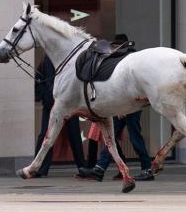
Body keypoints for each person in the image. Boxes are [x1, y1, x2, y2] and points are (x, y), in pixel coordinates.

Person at [75, 34, 154, 182]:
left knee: (134, 137)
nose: (114, 48)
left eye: (116, 45)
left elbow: (129, 85)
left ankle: (147, 168)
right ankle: (100, 168)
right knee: (110, 139)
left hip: (131, 106)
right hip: (122, 107)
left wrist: (124, 107)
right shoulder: (125, 58)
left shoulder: (129, 59)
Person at [33, 55, 85, 176]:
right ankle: (39, 168)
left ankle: (82, 167)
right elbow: (38, 80)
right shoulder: (47, 61)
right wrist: (45, 97)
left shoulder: (69, 61)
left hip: (68, 104)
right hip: (52, 105)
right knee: (46, 134)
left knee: (74, 135)